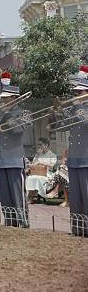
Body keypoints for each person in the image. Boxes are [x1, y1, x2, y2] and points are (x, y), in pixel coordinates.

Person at [0, 79, 30, 228]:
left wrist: (7, 115)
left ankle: (23, 221)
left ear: (14, 98)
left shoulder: (24, 112)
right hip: (1, 159)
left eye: (5, 98)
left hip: (14, 159)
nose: (2, 100)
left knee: (17, 194)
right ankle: (10, 221)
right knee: (5, 195)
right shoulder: (0, 114)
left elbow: (18, 131)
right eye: (2, 98)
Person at [50, 70, 88, 237]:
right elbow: (60, 126)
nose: (76, 95)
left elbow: (84, 120)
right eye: (75, 92)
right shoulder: (74, 109)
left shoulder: (81, 109)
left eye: (79, 92)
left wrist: (76, 106)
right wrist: (57, 111)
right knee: (76, 199)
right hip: (74, 158)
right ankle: (77, 228)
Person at [26, 138, 57, 203]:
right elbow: (33, 165)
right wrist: (38, 156)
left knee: (37, 178)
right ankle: (29, 197)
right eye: (38, 145)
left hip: (47, 174)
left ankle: (30, 198)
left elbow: (52, 165)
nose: (39, 146)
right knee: (30, 178)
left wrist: (41, 161)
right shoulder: (38, 155)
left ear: (46, 145)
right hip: (37, 172)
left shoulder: (52, 155)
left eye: (40, 145)